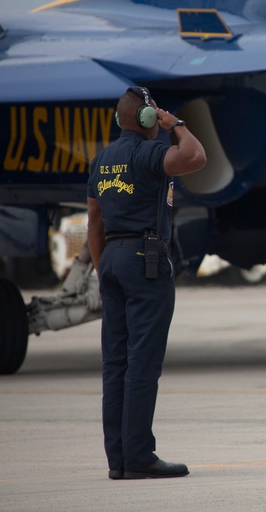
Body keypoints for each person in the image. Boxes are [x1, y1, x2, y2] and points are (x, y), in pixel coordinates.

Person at [86, 86, 207, 480]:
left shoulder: (102, 161)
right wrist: (178, 125)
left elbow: (95, 222)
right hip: (146, 260)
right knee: (142, 362)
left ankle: (118, 460)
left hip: (112, 261)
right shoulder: (149, 153)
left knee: (115, 363)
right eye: (155, 113)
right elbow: (195, 156)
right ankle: (139, 456)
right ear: (148, 120)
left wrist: (103, 271)